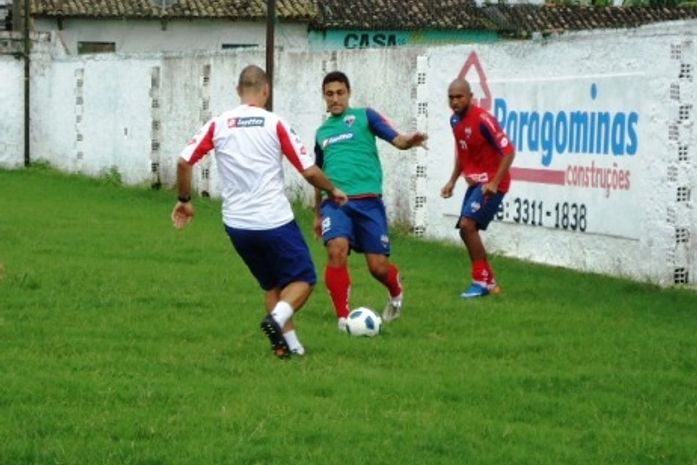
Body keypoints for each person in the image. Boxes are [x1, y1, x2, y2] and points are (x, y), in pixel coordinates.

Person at [171, 65, 347, 359]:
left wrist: (184, 200)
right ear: (266, 90)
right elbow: (308, 170)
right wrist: (332, 189)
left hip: (237, 225)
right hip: (273, 221)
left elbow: (183, 162)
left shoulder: (218, 124)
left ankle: (289, 347)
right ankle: (275, 320)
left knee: (273, 283)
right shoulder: (274, 123)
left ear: (238, 91)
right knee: (304, 279)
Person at [313, 71, 428, 332]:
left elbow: (396, 139)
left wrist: (409, 141)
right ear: (324, 97)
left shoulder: (366, 116)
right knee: (336, 250)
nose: (335, 98)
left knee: (378, 268)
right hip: (336, 203)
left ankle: (395, 289)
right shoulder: (321, 133)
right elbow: (317, 175)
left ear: (349, 93)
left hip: (369, 203)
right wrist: (318, 214)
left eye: (340, 92)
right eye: (329, 94)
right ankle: (343, 319)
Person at [440, 78, 515, 298]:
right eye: (451, 97)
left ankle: (481, 281)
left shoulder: (483, 119)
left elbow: (509, 151)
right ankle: (488, 280)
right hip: (477, 183)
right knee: (465, 230)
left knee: (468, 225)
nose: (455, 101)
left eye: (459, 97)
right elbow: (463, 153)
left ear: (470, 97)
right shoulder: (455, 121)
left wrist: (494, 183)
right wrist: (452, 180)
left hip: (492, 183)